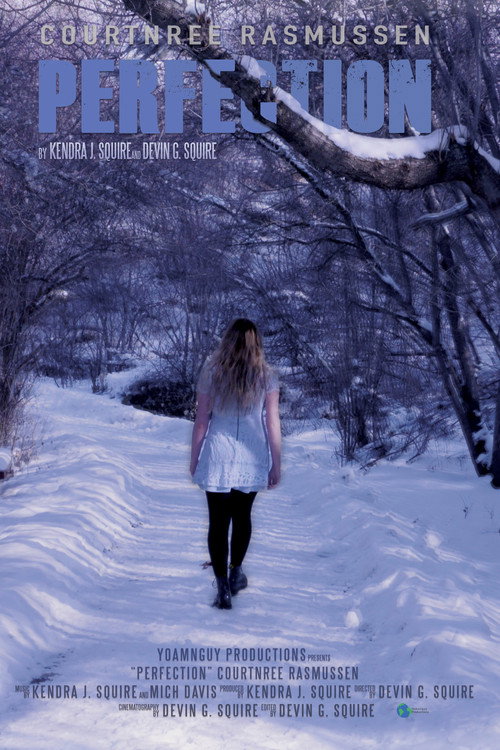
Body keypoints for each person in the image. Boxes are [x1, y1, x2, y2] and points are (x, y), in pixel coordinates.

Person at [190, 318, 281, 609]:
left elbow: (202, 420)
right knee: (242, 517)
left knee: (218, 523)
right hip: (252, 456)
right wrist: (276, 463)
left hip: (218, 454)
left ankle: (222, 587)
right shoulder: (267, 376)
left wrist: (195, 458)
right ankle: (235, 571)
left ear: (227, 340)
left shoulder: (212, 371)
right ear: (257, 343)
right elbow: (272, 422)